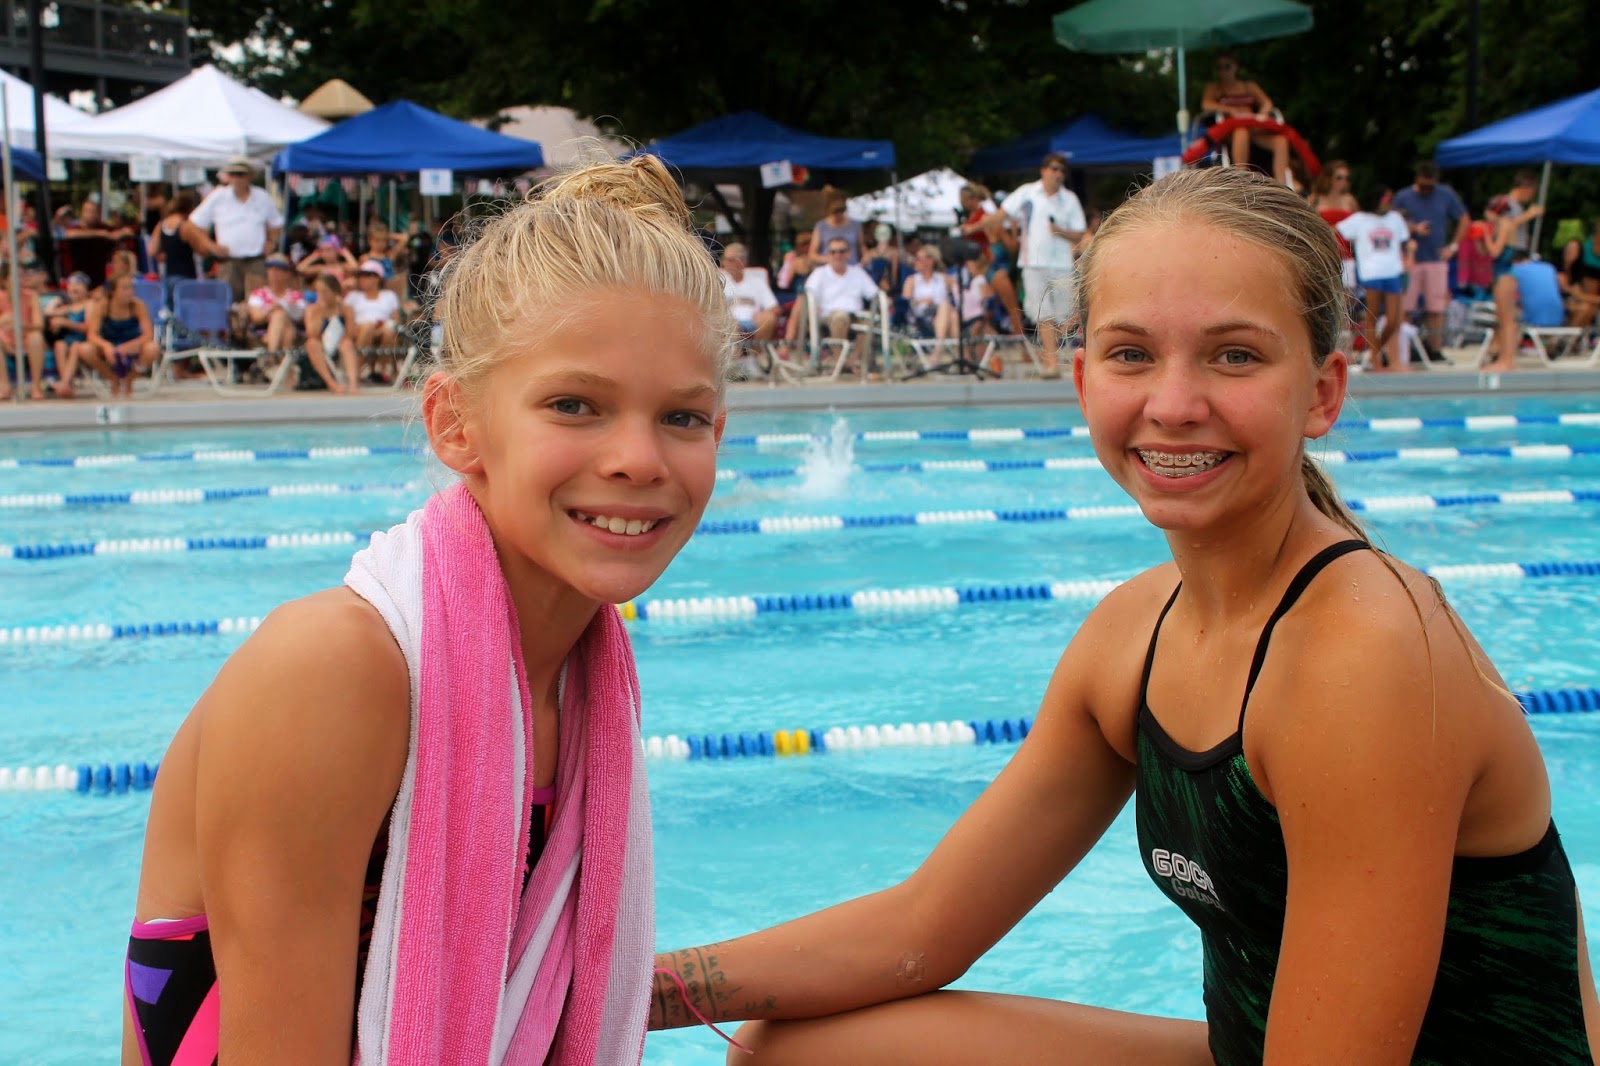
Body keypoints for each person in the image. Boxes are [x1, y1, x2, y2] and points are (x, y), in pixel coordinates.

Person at [649, 166, 1600, 1066]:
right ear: (1083, 384)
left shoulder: (1364, 658)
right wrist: (628, 992)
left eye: (1234, 356)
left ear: (1323, 392)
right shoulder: (1133, 637)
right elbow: (921, 929)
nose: (1175, 404)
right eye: (1132, 355)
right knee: (797, 1048)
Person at [122, 152, 734, 1066]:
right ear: (456, 425)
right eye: (575, 405)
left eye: (682, 418)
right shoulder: (333, 669)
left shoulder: (578, 683)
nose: (639, 460)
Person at [989, 153, 1087, 378]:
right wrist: (975, 227)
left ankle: (1052, 356)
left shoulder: (1069, 199)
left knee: (1066, 316)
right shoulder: (1027, 193)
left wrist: (1059, 231)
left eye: (1062, 170)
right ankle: (1051, 363)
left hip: (1060, 264)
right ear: (1043, 170)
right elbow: (1001, 214)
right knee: (1045, 314)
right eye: (1054, 169)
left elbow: (1079, 233)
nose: (1058, 174)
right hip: (1033, 263)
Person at [1391, 162, 1469, 359]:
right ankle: (1405, 349)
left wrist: (1453, 246)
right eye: (1423, 186)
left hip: (1436, 258)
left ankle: (1435, 349)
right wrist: (1414, 229)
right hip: (1411, 259)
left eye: (1430, 187)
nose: (1426, 191)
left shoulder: (1445, 194)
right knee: (1406, 306)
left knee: (1436, 307)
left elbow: (1464, 219)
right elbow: (1392, 221)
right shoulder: (1404, 197)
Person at [189, 157, 285, 302]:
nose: (236, 178)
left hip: (256, 260)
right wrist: (211, 246)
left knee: (258, 303)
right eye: (232, 174)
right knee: (229, 304)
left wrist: (272, 241)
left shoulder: (262, 197)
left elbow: (277, 223)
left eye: (240, 174)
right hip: (229, 261)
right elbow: (194, 224)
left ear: (250, 176)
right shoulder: (219, 196)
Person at [1337, 185, 1412, 372]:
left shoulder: (1395, 219)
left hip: (1393, 271)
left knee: (1394, 320)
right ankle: (1376, 362)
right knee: (1373, 316)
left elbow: (1403, 242)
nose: (1388, 203)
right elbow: (1335, 231)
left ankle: (1373, 353)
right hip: (1371, 273)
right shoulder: (1360, 220)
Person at [1200, 51, 1290, 184]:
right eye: (1219, 67)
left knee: (1281, 141)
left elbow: (1267, 102)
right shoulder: (1215, 88)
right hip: (1231, 130)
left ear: (1236, 67)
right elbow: (1206, 104)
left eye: (1227, 66)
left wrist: (1262, 114)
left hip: (1253, 127)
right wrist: (1230, 110)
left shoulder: (1249, 87)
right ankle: (1243, 177)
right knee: (1241, 132)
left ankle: (1282, 182)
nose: (1223, 71)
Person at [955, 183, 1024, 339]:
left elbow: (999, 245)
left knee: (1006, 308)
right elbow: (1009, 246)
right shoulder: (981, 219)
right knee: (1007, 308)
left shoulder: (979, 220)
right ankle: (1021, 345)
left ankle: (1021, 344)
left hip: (989, 268)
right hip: (991, 267)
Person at [803, 237, 881, 374]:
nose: (837, 255)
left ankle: (851, 362)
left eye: (841, 251)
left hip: (855, 314)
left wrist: (885, 300)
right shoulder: (819, 273)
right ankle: (839, 361)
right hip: (829, 315)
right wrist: (814, 308)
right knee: (840, 318)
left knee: (870, 321)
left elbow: (874, 293)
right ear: (829, 254)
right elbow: (809, 294)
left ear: (848, 253)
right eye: (833, 252)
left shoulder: (858, 273)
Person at [84, 271, 161, 398]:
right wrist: (106, 346)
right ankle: (112, 378)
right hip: (110, 343)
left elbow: (148, 335)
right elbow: (92, 334)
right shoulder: (103, 306)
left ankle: (130, 378)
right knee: (85, 349)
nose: (130, 292)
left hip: (131, 344)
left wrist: (128, 346)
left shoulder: (137, 306)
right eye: (125, 288)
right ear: (113, 291)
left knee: (153, 348)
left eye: (131, 288)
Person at [148, 190, 226, 307]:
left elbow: (151, 251)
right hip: (186, 279)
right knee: (187, 313)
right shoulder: (186, 226)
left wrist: (166, 254)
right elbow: (202, 250)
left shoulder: (161, 225)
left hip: (168, 277)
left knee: (171, 312)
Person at [299, 273, 359, 393]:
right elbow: (312, 333)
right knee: (312, 343)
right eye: (319, 292)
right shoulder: (312, 309)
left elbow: (351, 334)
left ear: (335, 291)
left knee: (347, 344)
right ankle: (332, 384)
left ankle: (353, 384)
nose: (321, 295)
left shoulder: (346, 309)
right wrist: (320, 313)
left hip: (339, 345)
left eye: (325, 291)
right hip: (320, 347)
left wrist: (338, 313)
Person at [345, 258, 402, 380]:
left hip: (383, 331)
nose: (362, 278)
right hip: (360, 331)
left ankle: (380, 369)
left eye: (367, 275)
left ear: (377, 277)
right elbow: (350, 328)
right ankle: (358, 370)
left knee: (389, 329)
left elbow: (396, 322)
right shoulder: (352, 297)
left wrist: (378, 329)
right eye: (360, 275)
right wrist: (371, 329)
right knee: (368, 325)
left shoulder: (389, 296)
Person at [0, 259, 48, 400]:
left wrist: (21, 326)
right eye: (16, 276)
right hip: (5, 342)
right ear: (4, 281)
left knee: (36, 336)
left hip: (27, 341)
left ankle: (36, 386)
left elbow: (39, 324)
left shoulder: (31, 296)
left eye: (22, 276)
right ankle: (4, 386)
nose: (20, 280)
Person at [43, 271, 95, 397]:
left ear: (86, 289)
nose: (73, 287)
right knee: (59, 344)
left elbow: (89, 327)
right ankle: (66, 382)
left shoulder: (89, 304)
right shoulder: (68, 307)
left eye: (78, 285)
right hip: (68, 341)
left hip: (83, 340)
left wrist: (65, 323)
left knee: (74, 347)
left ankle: (65, 383)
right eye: (71, 285)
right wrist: (56, 301)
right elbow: (48, 313)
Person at [244, 254, 307, 351]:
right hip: (264, 331)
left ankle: (272, 354)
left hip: (292, 331)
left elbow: (301, 316)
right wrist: (273, 309)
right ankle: (282, 361)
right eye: (270, 269)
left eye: (278, 270)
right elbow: (256, 317)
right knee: (279, 316)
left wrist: (282, 307)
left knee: (281, 317)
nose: (273, 273)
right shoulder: (258, 294)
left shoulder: (296, 296)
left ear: (286, 273)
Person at [720, 242, 780, 343]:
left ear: (742, 262)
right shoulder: (719, 281)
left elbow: (775, 308)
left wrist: (764, 314)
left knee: (769, 318)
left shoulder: (757, 281)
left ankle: (756, 354)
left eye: (730, 260)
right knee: (732, 323)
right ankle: (737, 357)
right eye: (724, 259)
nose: (725, 263)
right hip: (727, 322)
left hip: (754, 322)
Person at [902, 245, 957, 343]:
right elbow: (905, 304)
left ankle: (939, 349)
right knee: (948, 311)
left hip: (942, 315)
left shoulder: (944, 279)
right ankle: (954, 351)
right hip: (922, 316)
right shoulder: (911, 281)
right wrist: (921, 300)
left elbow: (958, 296)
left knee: (952, 314)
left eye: (919, 259)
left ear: (930, 261)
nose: (916, 261)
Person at [809, 190, 863, 266]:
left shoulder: (855, 225)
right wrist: (829, 259)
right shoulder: (821, 226)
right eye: (835, 212)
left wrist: (866, 256)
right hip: (828, 268)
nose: (838, 215)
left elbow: (861, 247)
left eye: (841, 211)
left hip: (852, 267)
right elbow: (812, 254)